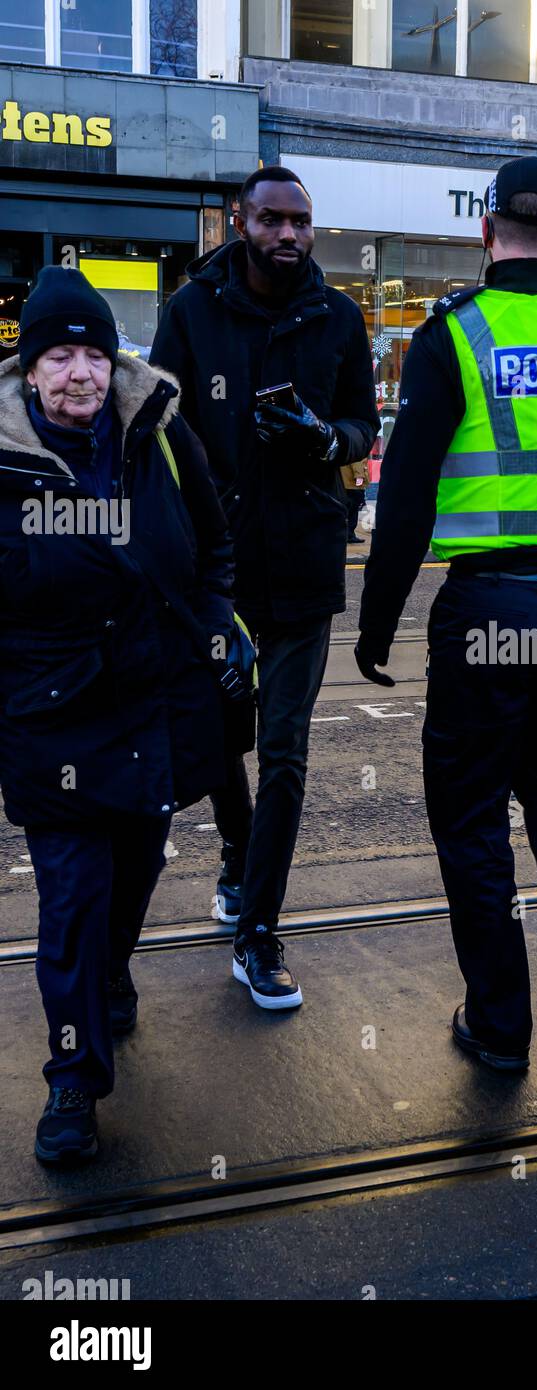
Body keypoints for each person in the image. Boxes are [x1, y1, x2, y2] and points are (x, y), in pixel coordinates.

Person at [356, 156, 537, 1069]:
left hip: (488, 608)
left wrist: (374, 626)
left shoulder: (456, 335)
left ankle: (499, 1022)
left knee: (474, 815)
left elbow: (404, 501)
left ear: (486, 232)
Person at [0, 267, 234, 1163]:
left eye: (91, 354)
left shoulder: (161, 440)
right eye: (57, 355)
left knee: (134, 871)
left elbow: (213, 549)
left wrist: (214, 624)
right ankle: (72, 1083)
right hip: (47, 720)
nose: (78, 374)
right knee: (69, 902)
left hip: (149, 712)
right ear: (30, 370)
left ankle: (111, 972)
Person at [150, 166, 379, 1011]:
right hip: (216, 572)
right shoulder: (190, 312)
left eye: (302, 223)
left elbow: (364, 425)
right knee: (220, 743)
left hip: (306, 568)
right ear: (240, 222)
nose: (290, 235)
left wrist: (326, 439)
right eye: (273, 220)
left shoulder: (339, 316)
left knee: (284, 751)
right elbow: (158, 426)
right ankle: (237, 861)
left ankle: (258, 932)